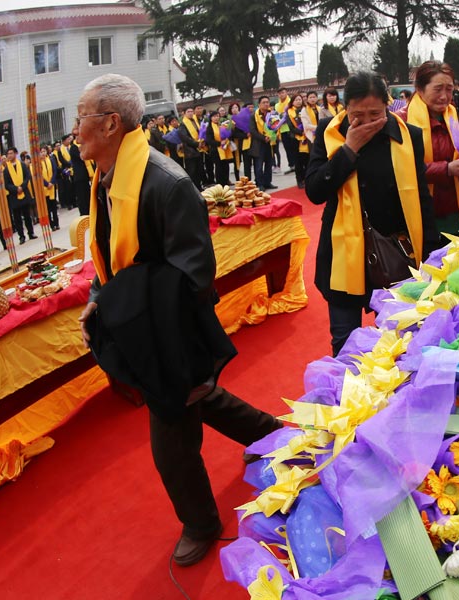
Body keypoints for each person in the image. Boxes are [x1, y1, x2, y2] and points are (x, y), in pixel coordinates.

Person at [75, 73, 282, 568]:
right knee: (198, 396)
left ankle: (202, 523)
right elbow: (110, 253)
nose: (74, 130)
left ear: (109, 124)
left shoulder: (165, 182)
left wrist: (121, 300)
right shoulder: (105, 176)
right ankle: (272, 434)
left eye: (80, 118)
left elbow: (193, 272)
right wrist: (99, 295)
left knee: (170, 437)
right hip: (140, 320)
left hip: (171, 329)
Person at [305, 71, 439, 356]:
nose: (366, 123)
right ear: (345, 108)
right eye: (357, 115)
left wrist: (430, 254)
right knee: (345, 344)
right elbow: (315, 190)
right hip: (344, 255)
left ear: (387, 105)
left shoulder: (408, 136)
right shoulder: (330, 132)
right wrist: (349, 148)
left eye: (375, 114)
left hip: (396, 253)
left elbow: (421, 197)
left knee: (400, 340)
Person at [397, 60, 459, 236]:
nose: (444, 96)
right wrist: (447, 169)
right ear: (420, 89)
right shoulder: (402, 122)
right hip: (423, 212)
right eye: (437, 89)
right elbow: (401, 169)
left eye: (449, 89)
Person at [2, 147, 37, 243]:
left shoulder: (22, 165)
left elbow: (27, 176)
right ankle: (21, 236)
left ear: (15, 154)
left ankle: (31, 232)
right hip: (14, 195)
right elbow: (6, 184)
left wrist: (22, 186)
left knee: (27, 215)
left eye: (11, 153)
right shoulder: (6, 170)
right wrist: (16, 189)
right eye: (8, 154)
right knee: (17, 218)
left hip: (24, 192)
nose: (10, 155)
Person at [249, 96, 277, 191]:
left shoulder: (272, 114)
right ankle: (259, 183)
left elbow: (276, 125)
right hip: (259, 144)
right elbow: (252, 130)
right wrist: (263, 138)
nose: (266, 104)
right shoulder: (254, 116)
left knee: (269, 164)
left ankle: (267, 182)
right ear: (259, 104)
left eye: (267, 102)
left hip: (269, 143)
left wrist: (273, 135)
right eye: (264, 102)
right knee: (259, 165)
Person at [285, 94, 309, 188]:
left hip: (307, 137)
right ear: (292, 102)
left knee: (307, 160)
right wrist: (300, 132)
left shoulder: (306, 109)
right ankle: (299, 180)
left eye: (300, 99)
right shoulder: (289, 112)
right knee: (298, 161)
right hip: (295, 139)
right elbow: (290, 127)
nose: (298, 101)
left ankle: (307, 179)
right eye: (296, 100)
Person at [70, 129, 94, 215]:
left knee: (87, 194)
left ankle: (88, 211)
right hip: (79, 176)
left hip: (85, 175)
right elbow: (82, 156)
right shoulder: (73, 147)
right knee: (81, 196)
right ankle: (84, 213)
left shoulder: (82, 146)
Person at [205, 111, 233, 186]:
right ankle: (220, 184)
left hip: (224, 149)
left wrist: (226, 139)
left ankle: (226, 181)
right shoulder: (209, 128)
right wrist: (219, 143)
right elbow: (209, 140)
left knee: (226, 166)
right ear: (211, 118)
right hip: (216, 150)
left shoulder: (221, 125)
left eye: (217, 116)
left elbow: (227, 134)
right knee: (219, 168)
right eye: (214, 116)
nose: (216, 118)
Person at [178, 107, 204, 189]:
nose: (190, 113)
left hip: (198, 150)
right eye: (188, 111)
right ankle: (194, 189)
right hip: (190, 151)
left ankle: (199, 187)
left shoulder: (195, 121)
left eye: (192, 111)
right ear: (184, 113)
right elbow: (185, 137)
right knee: (192, 172)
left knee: (199, 170)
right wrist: (196, 144)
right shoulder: (182, 124)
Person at [39, 146, 60, 230]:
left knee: (54, 206)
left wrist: (52, 182)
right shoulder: (38, 164)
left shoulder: (51, 160)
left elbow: (55, 171)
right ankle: (51, 225)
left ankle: (56, 223)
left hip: (52, 186)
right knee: (48, 207)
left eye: (44, 151)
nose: (43, 153)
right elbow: (39, 176)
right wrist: (47, 184)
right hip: (45, 188)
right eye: (41, 152)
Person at [56, 134, 76, 210]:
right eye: (67, 140)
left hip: (73, 168)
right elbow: (61, 159)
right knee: (67, 187)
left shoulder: (70, 147)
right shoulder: (60, 150)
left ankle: (74, 202)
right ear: (64, 141)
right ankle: (69, 203)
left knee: (73, 186)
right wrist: (68, 164)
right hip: (66, 169)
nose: (69, 141)